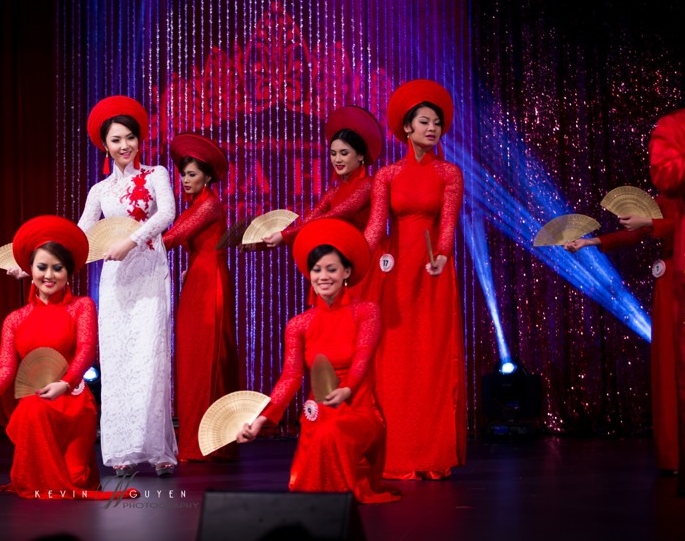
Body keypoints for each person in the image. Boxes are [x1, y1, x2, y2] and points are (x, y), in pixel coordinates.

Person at [237, 218, 400, 504]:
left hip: (359, 410)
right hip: (319, 413)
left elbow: (363, 355)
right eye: (316, 270)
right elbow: (290, 377)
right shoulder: (299, 324)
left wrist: (348, 389)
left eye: (331, 269)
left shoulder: (366, 311)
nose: (323, 276)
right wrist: (261, 420)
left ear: (347, 272)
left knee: (333, 434)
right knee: (321, 436)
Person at [0, 216, 119, 499]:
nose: (49, 275)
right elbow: (5, 369)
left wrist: (66, 384)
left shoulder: (82, 307)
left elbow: (86, 350)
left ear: (69, 272)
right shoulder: (15, 320)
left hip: (74, 403)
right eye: (42, 267)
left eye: (58, 268)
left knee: (76, 481)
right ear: (29, 270)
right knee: (34, 413)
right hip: (39, 406)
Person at [363, 79, 466, 480]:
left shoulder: (449, 173)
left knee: (432, 360)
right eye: (424, 122)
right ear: (406, 128)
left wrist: (440, 258)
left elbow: (447, 225)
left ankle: (432, 454)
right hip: (396, 274)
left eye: (437, 123)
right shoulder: (387, 175)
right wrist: (352, 257)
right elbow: (375, 228)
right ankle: (399, 453)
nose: (432, 129)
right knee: (396, 363)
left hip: (433, 273)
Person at [77, 95, 178, 476]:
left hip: (149, 271)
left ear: (139, 140)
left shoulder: (156, 175)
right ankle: (120, 450)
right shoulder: (100, 191)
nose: (124, 146)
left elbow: (167, 213)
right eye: (116, 140)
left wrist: (131, 240)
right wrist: (35, 263)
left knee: (150, 358)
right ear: (105, 145)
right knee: (119, 360)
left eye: (130, 138)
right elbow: (80, 235)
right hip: (116, 278)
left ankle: (157, 449)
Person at [565, 200, 679, 473]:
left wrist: (649, 223)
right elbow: (635, 232)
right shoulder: (665, 197)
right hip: (670, 280)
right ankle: (675, 455)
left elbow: (674, 226)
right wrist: (588, 242)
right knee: (669, 363)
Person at [163, 132, 239, 462]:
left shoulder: (208, 204)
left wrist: (133, 244)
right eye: (182, 174)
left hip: (209, 284)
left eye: (192, 174)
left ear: (208, 176)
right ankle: (204, 438)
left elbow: (175, 236)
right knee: (194, 358)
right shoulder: (197, 205)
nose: (185, 180)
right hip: (198, 278)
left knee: (207, 357)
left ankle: (207, 442)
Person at [262, 105, 385, 300]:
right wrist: (263, 242)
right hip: (337, 262)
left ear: (361, 156)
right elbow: (308, 223)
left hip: (364, 261)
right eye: (333, 153)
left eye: (344, 153)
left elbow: (337, 214)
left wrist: (284, 235)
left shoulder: (368, 185)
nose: (337, 159)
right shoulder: (333, 192)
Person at [647, 106, 685, 497]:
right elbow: (662, 223)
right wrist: (596, 241)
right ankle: (677, 456)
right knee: (678, 363)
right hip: (678, 272)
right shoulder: (674, 128)